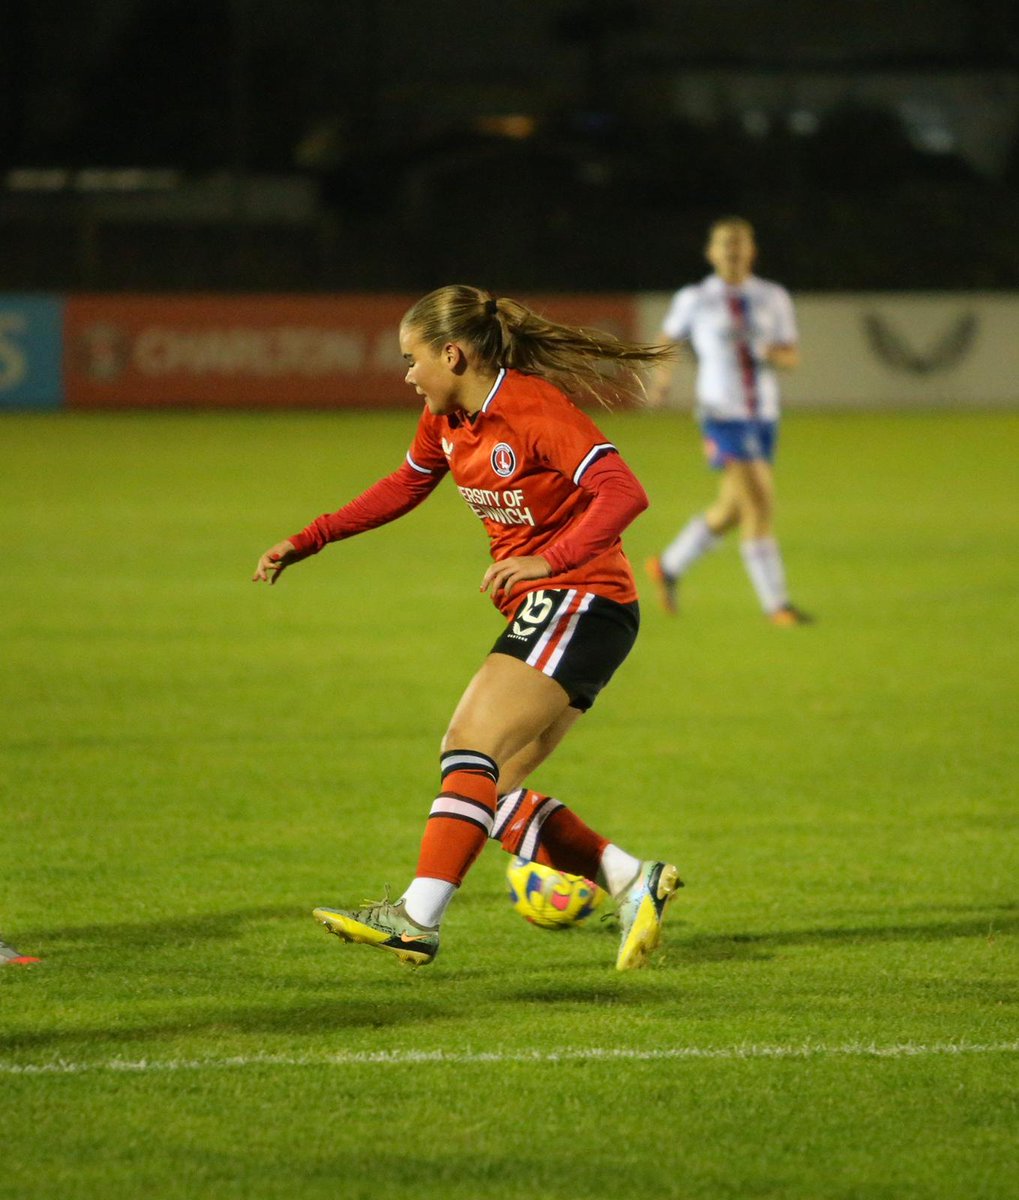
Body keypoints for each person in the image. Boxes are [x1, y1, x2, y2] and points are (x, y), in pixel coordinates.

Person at [253, 285, 683, 971]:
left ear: (452, 354)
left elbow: (624, 492)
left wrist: (551, 557)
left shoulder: (532, 408)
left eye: (412, 358)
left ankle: (416, 918)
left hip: (581, 598)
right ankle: (632, 880)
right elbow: (403, 485)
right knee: (494, 789)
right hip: (569, 611)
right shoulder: (447, 419)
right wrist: (311, 539)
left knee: (468, 743)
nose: (406, 375)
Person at [645, 216, 812, 626]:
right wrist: (662, 379)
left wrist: (768, 352)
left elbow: (791, 356)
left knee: (732, 509)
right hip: (721, 415)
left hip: (763, 416)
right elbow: (668, 340)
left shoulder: (773, 297)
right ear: (711, 252)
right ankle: (778, 606)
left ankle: (667, 568)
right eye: (725, 244)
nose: (733, 251)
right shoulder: (696, 298)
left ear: (751, 251)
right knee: (760, 503)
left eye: (740, 245)